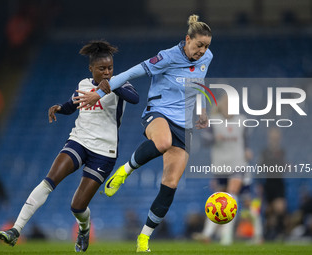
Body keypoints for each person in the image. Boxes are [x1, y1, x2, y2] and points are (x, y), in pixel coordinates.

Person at [74, 14, 212, 252]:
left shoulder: (207, 57)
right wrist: (99, 92)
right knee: (162, 142)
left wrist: (201, 110)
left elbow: (198, 83)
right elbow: (130, 73)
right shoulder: (167, 56)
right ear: (187, 39)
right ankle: (124, 172)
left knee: (170, 184)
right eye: (199, 45)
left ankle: (144, 238)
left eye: (206, 46)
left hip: (185, 125)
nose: (203, 50)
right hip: (158, 113)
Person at [0, 40, 139, 252]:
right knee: (48, 181)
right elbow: (73, 104)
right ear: (91, 69)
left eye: (110, 67)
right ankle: (15, 230)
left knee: (77, 206)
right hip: (79, 141)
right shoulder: (83, 84)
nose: (107, 72)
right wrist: (59, 108)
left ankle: (84, 229)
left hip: (104, 152)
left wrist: (112, 87)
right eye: (102, 69)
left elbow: (135, 98)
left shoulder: (120, 83)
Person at [191, 94, 262, 245]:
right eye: (226, 103)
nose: (229, 106)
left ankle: (227, 237)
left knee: (234, 197)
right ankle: (208, 234)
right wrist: (214, 138)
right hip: (221, 167)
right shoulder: (214, 122)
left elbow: (245, 141)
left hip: (239, 165)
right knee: (222, 201)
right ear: (221, 105)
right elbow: (204, 140)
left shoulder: (241, 120)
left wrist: (247, 150)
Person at [259, 127, 287, 240]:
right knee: (269, 210)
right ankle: (268, 232)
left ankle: (281, 233)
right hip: (268, 184)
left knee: (280, 208)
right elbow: (260, 169)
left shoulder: (282, 152)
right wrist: (259, 185)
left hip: (278, 184)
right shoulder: (265, 152)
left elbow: (283, 166)